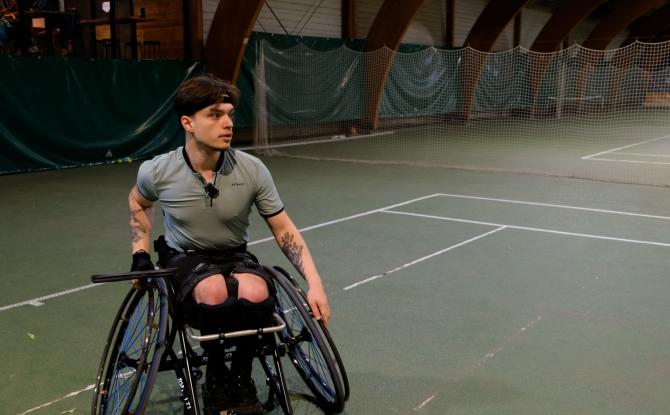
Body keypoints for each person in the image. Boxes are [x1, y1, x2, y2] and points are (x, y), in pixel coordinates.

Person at [128, 74, 330, 415]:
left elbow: (283, 228)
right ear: (187, 122)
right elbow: (137, 203)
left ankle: (240, 377)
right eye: (215, 114)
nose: (227, 123)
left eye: (230, 114)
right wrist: (140, 254)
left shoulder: (252, 169)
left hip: (235, 255)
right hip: (184, 258)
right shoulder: (158, 171)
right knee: (213, 291)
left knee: (255, 290)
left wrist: (316, 283)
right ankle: (217, 377)